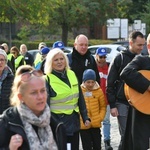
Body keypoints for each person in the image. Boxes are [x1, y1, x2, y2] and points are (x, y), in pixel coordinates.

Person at [0, 65, 66, 149]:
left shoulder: (56, 123)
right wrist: (10, 148)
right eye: (33, 93)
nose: (40, 97)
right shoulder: (8, 123)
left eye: (42, 91)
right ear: (21, 97)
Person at [44, 48, 91, 150]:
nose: (60, 62)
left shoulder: (72, 74)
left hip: (74, 120)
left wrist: (85, 117)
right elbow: (45, 106)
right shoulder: (47, 79)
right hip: (58, 123)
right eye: (56, 60)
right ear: (50, 63)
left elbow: (80, 98)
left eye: (62, 59)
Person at [106, 31, 145, 150]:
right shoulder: (120, 58)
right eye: (139, 45)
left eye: (143, 45)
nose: (141, 48)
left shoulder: (142, 59)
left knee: (135, 136)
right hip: (122, 102)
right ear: (131, 43)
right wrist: (112, 105)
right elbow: (110, 83)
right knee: (125, 136)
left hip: (138, 103)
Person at [120, 33, 150, 150]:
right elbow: (125, 73)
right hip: (142, 113)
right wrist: (147, 85)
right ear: (149, 46)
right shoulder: (142, 60)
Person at [80, 69, 106, 150]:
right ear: (84, 82)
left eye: (92, 82)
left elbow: (103, 106)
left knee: (97, 146)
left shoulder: (99, 91)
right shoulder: (80, 91)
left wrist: (100, 118)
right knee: (87, 147)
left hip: (95, 124)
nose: (90, 84)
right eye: (88, 82)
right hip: (84, 125)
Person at [95, 47, 113, 150]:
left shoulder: (109, 67)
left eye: (104, 57)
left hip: (106, 100)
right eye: (101, 57)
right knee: (96, 121)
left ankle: (107, 142)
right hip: (94, 99)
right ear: (96, 56)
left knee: (106, 121)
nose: (102, 59)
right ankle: (97, 140)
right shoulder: (93, 68)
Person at [0, 49, 14, 114]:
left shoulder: (11, 79)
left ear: (6, 62)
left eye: (2, 60)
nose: (0, 62)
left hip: (6, 117)